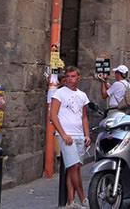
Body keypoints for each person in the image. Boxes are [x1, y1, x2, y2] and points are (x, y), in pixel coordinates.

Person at [50, 67, 91, 209]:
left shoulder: (82, 95)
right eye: (67, 76)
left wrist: (87, 135)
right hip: (66, 135)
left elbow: (84, 116)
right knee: (73, 166)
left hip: (79, 134)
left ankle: (70, 202)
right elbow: (53, 115)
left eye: (73, 76)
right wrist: (63, 134)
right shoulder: (59, 93)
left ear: (78, 77)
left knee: (74, 167)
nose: (69, 79)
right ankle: (83, 197)